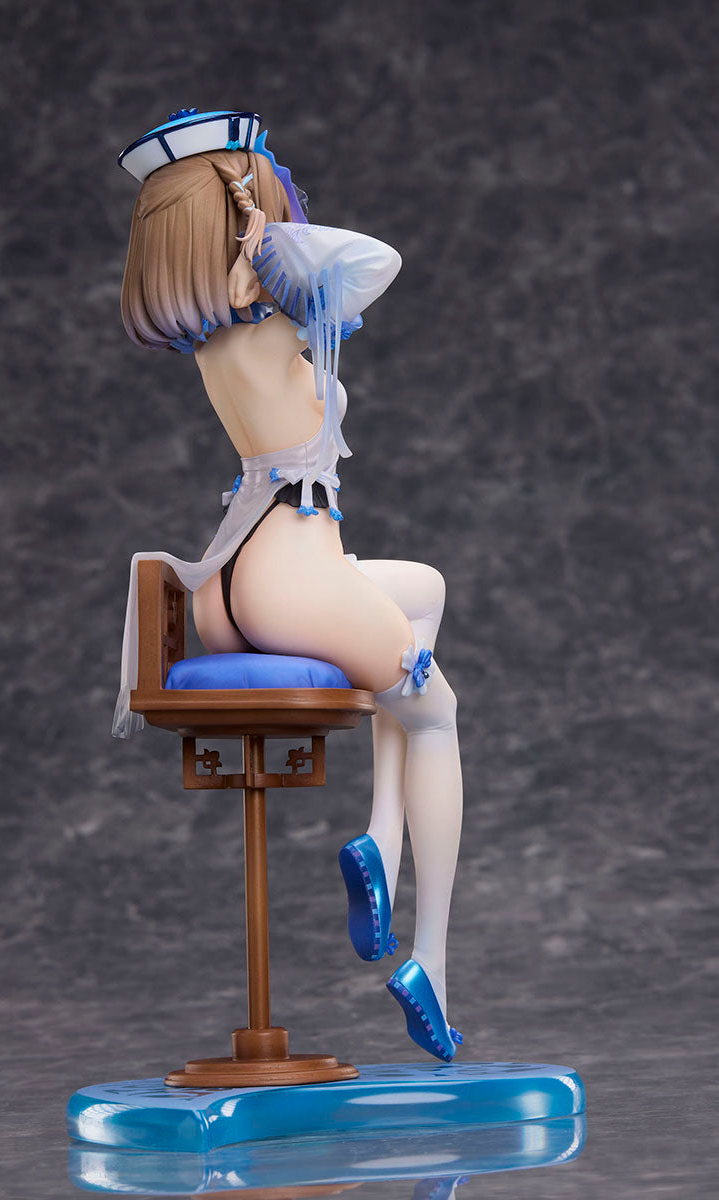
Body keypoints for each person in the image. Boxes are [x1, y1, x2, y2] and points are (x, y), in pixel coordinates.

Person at [114, 109, 464, 1061]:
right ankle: (430, 960)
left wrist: (247, 234)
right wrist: (262, 235)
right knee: (437, 714)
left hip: (234, 580)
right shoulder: (272, 322)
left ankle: (381, 842)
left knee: (422, 592)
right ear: (243, 223)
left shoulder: (213, 344)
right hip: (292, 573)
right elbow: (377, 261)